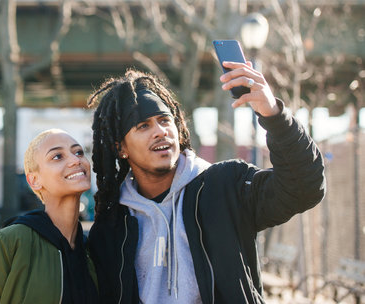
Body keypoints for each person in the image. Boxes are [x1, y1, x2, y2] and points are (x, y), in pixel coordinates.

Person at [86, 63, 325, 303]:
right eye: (143, 126)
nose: (160, 131)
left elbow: (304, 188)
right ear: (121, 148)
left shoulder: (225, 186)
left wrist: (274, 115)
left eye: (164, 120)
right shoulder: (111, 228)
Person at [0, 129, 98, 304]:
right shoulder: (9, 242)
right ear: (34, 180)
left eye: (78, 152)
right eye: (57, 156)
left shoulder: (92, 252)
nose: (75, 160)